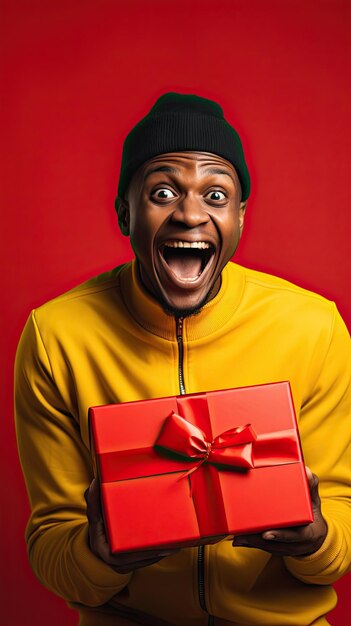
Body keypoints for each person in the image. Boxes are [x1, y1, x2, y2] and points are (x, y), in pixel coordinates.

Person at [15, 93, 351, 626]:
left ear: (240, 217)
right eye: (163, 191)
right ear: (125, 212)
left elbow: (339, 540)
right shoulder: (55, 338)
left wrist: (316, 539)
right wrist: (97, 555)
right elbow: (53, 548)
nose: (191, 213)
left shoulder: (315, 329)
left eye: (216, 195)